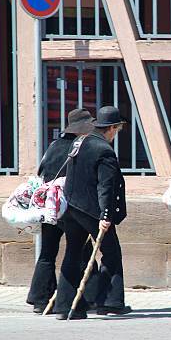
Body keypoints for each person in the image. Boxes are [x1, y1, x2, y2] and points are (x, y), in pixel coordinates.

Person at [54, 105, 131, 320]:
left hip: (72, 207)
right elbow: (105, 186)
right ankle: (110, 303)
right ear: (112, 128)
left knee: (73, 253)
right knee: (112, 253)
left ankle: (64, 305)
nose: (117, 134)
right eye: (117, 129)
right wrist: (105, 216)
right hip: (91, 210)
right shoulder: (104, 150)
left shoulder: (80, 142)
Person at [26, 108, 98, 314]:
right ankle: (91, 297)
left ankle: (40, 299)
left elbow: (41, 171)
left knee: (48, 252)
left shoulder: (53, 146)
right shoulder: (81, 147)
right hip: (72, 206)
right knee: (81, 251)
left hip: (50, 206)